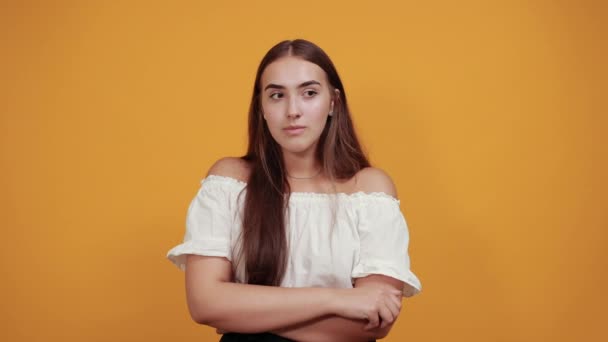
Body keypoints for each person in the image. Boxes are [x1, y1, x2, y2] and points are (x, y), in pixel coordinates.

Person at [166, 39, 422, 342]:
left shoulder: (369, 190)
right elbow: (205, 303)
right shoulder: (229, 181)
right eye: (276, 95)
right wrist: (336, 300)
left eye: (309, 93)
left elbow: (376, 321)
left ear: (333, 103)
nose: (293, 111)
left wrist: (246, 315)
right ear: (261, 106)